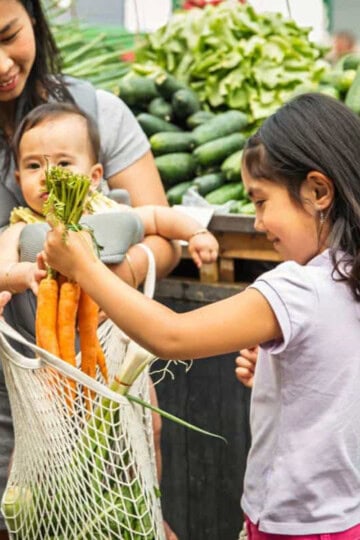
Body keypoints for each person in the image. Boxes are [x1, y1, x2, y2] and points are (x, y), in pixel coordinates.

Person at [43, 92, 360, 538]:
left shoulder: (297, 287)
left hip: (294, 524)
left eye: (262, 201)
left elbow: (173, 336)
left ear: (318, 191)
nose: (257, 222)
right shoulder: (347, 275)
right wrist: (275, 372)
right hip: (344, 516)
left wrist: (86, 269)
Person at [0, 2, 181, 538]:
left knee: (123, 506)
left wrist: (107, 279)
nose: (2, 63)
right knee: (26, 517)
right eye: (32, 165)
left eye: (9, 34)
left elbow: (159, 234)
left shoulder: (99, 112)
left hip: (105, 369)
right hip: (15, 380)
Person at [0, 101, 218, 295]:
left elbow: (157, 217)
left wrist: (196, 233)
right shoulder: (21, 227)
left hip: (113, 330)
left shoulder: (107, 211)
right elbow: (3, 270)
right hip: (43, 332)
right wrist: (25, 273)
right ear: (19, 180)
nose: (47, 176)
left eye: (63, 164)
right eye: (33, 166)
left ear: (94, 177)